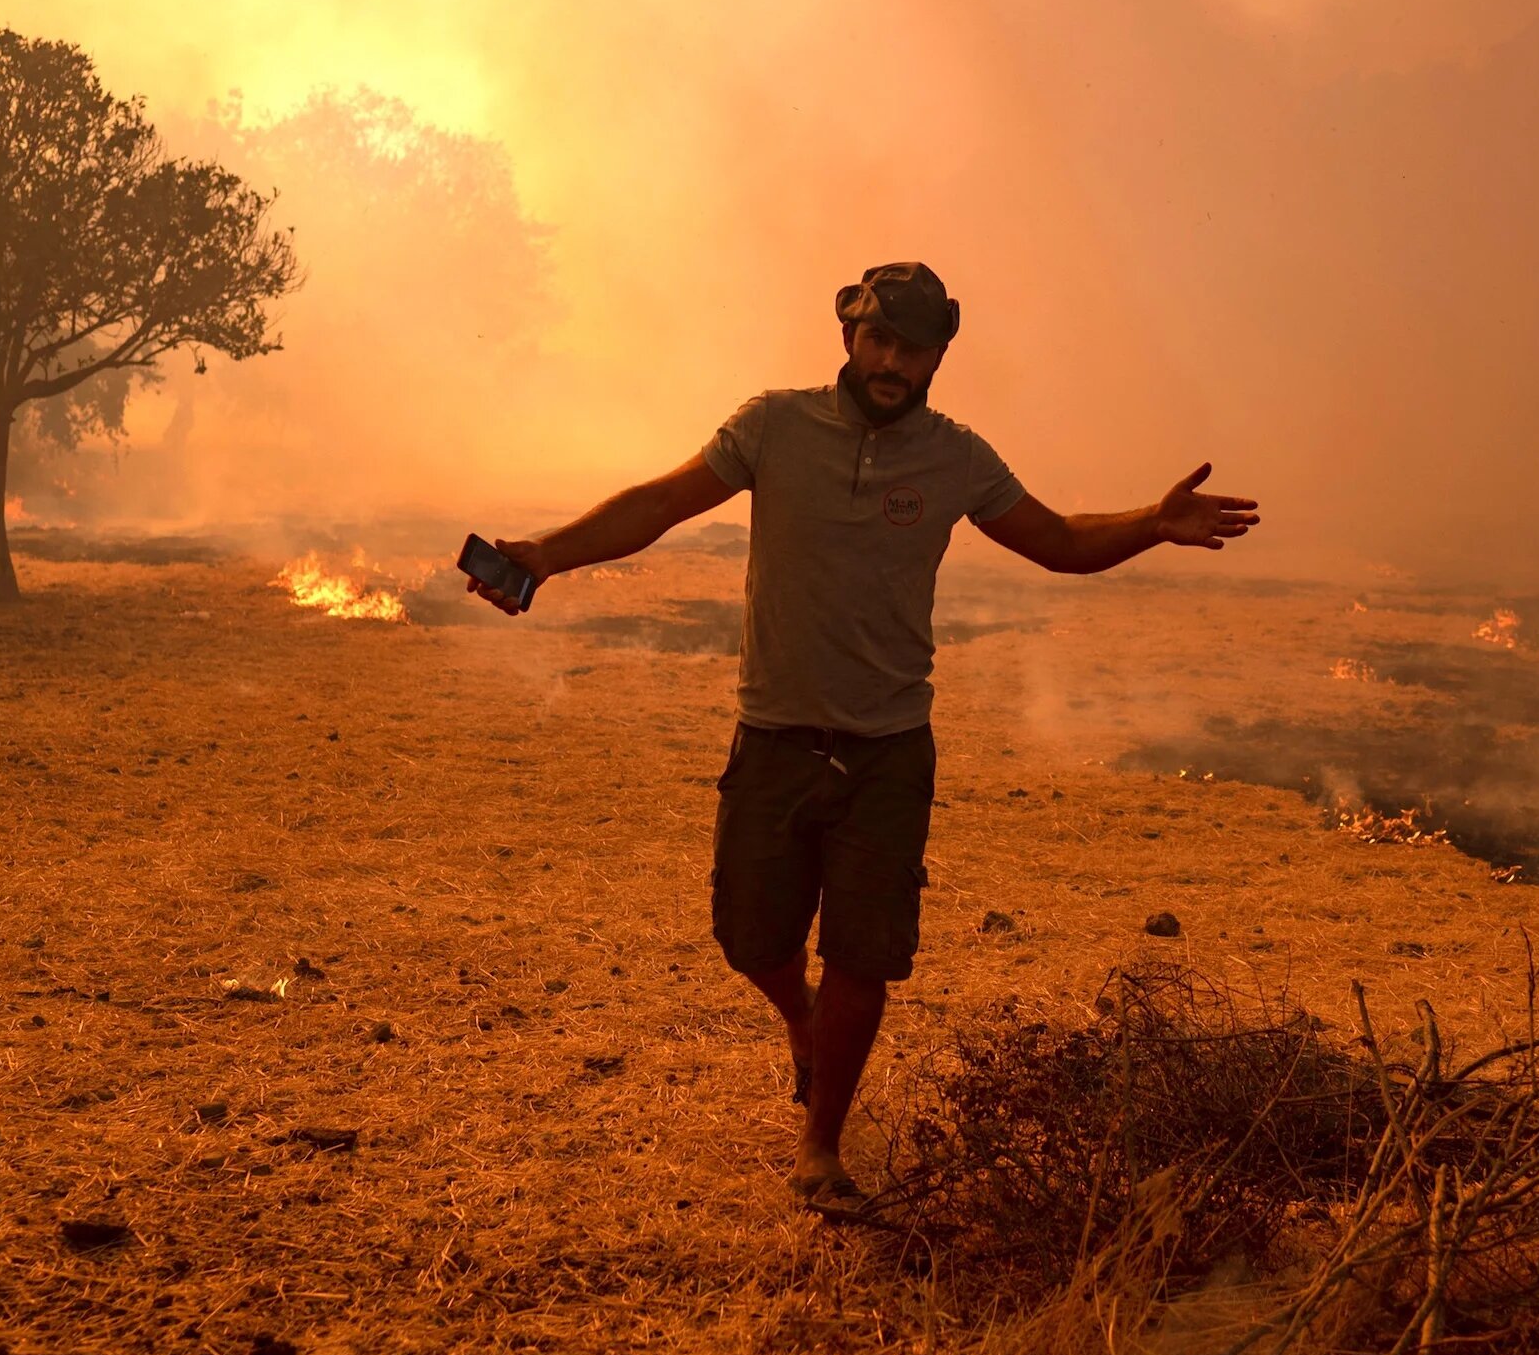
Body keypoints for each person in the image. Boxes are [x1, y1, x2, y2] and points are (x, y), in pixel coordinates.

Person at [468, 261, 1259, 1203]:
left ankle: (821, 1145)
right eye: (879, 339)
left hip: (887, 751)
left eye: (913, 347)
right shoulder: (773, 424)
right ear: (849, 335)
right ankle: (799, 1018)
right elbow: (661, 502)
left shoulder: (958, 456)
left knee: (861, 956)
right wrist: (547, 555)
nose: (892, 361)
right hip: (774, 737)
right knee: (749, 938)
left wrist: (1149, 523)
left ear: (937, 357)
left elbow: (1060, 543)